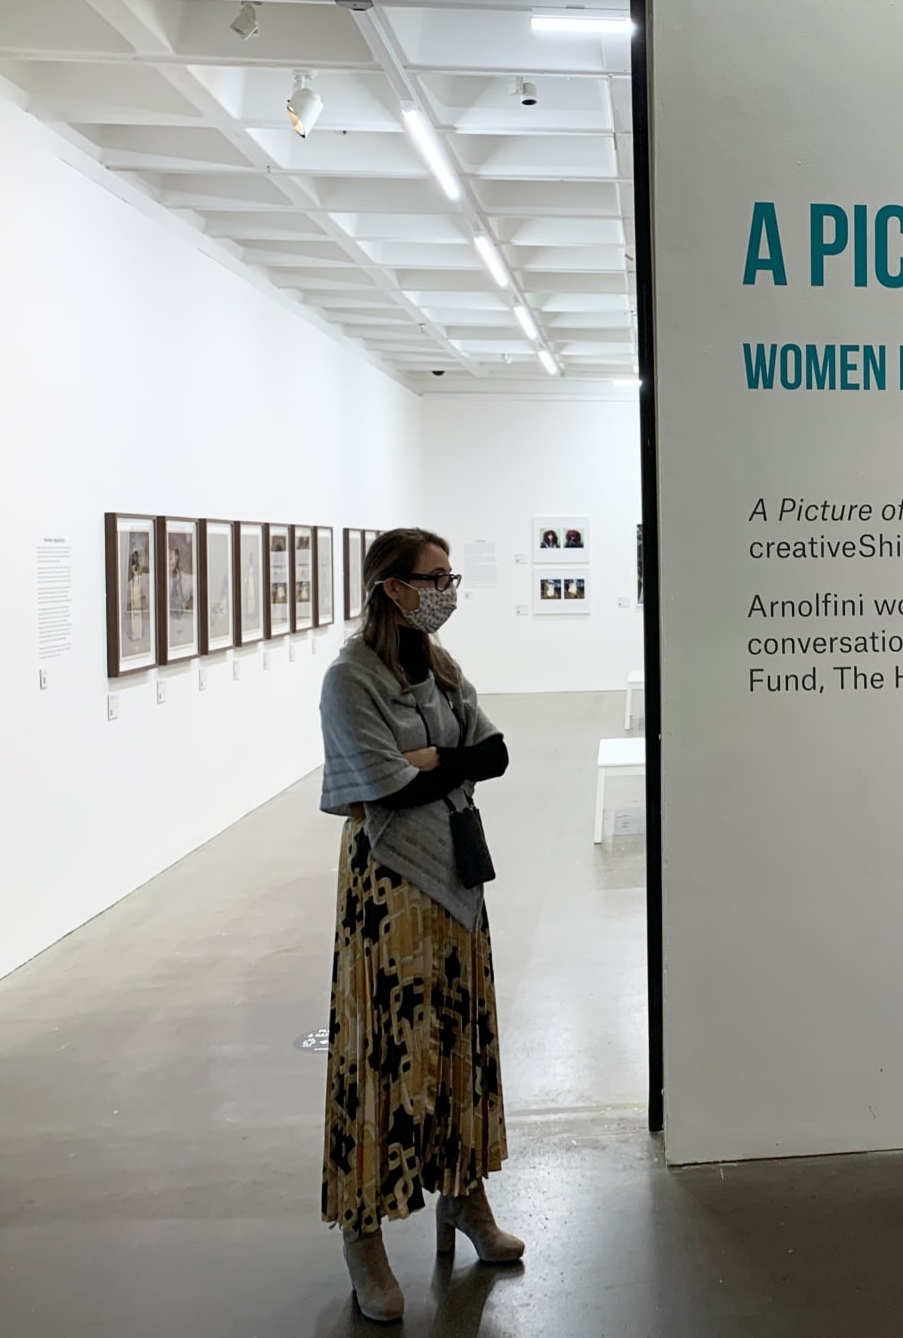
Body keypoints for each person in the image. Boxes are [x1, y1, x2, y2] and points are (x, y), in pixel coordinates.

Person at [317, 528, 523, 1323]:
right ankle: (361, 1233)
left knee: (459, 1043)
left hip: (458, 884)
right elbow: (386, 789)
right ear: (392, 587)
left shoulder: (438, 666)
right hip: (389, 888)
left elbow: (495, 753)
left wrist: (434, 760)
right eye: (435, 576)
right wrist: (438, 761)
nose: (448, 588)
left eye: (452, 574)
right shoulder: (349, 679)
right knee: (383, 1057)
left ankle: (464, 1199)